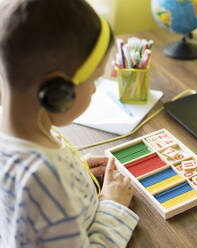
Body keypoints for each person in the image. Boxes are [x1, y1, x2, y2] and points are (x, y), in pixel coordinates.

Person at [0, 0, 138, 247]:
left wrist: (76, 173)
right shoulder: (46, 179)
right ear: (57, 90)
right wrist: (112, 206)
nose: (95, 89)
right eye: (94, 79)